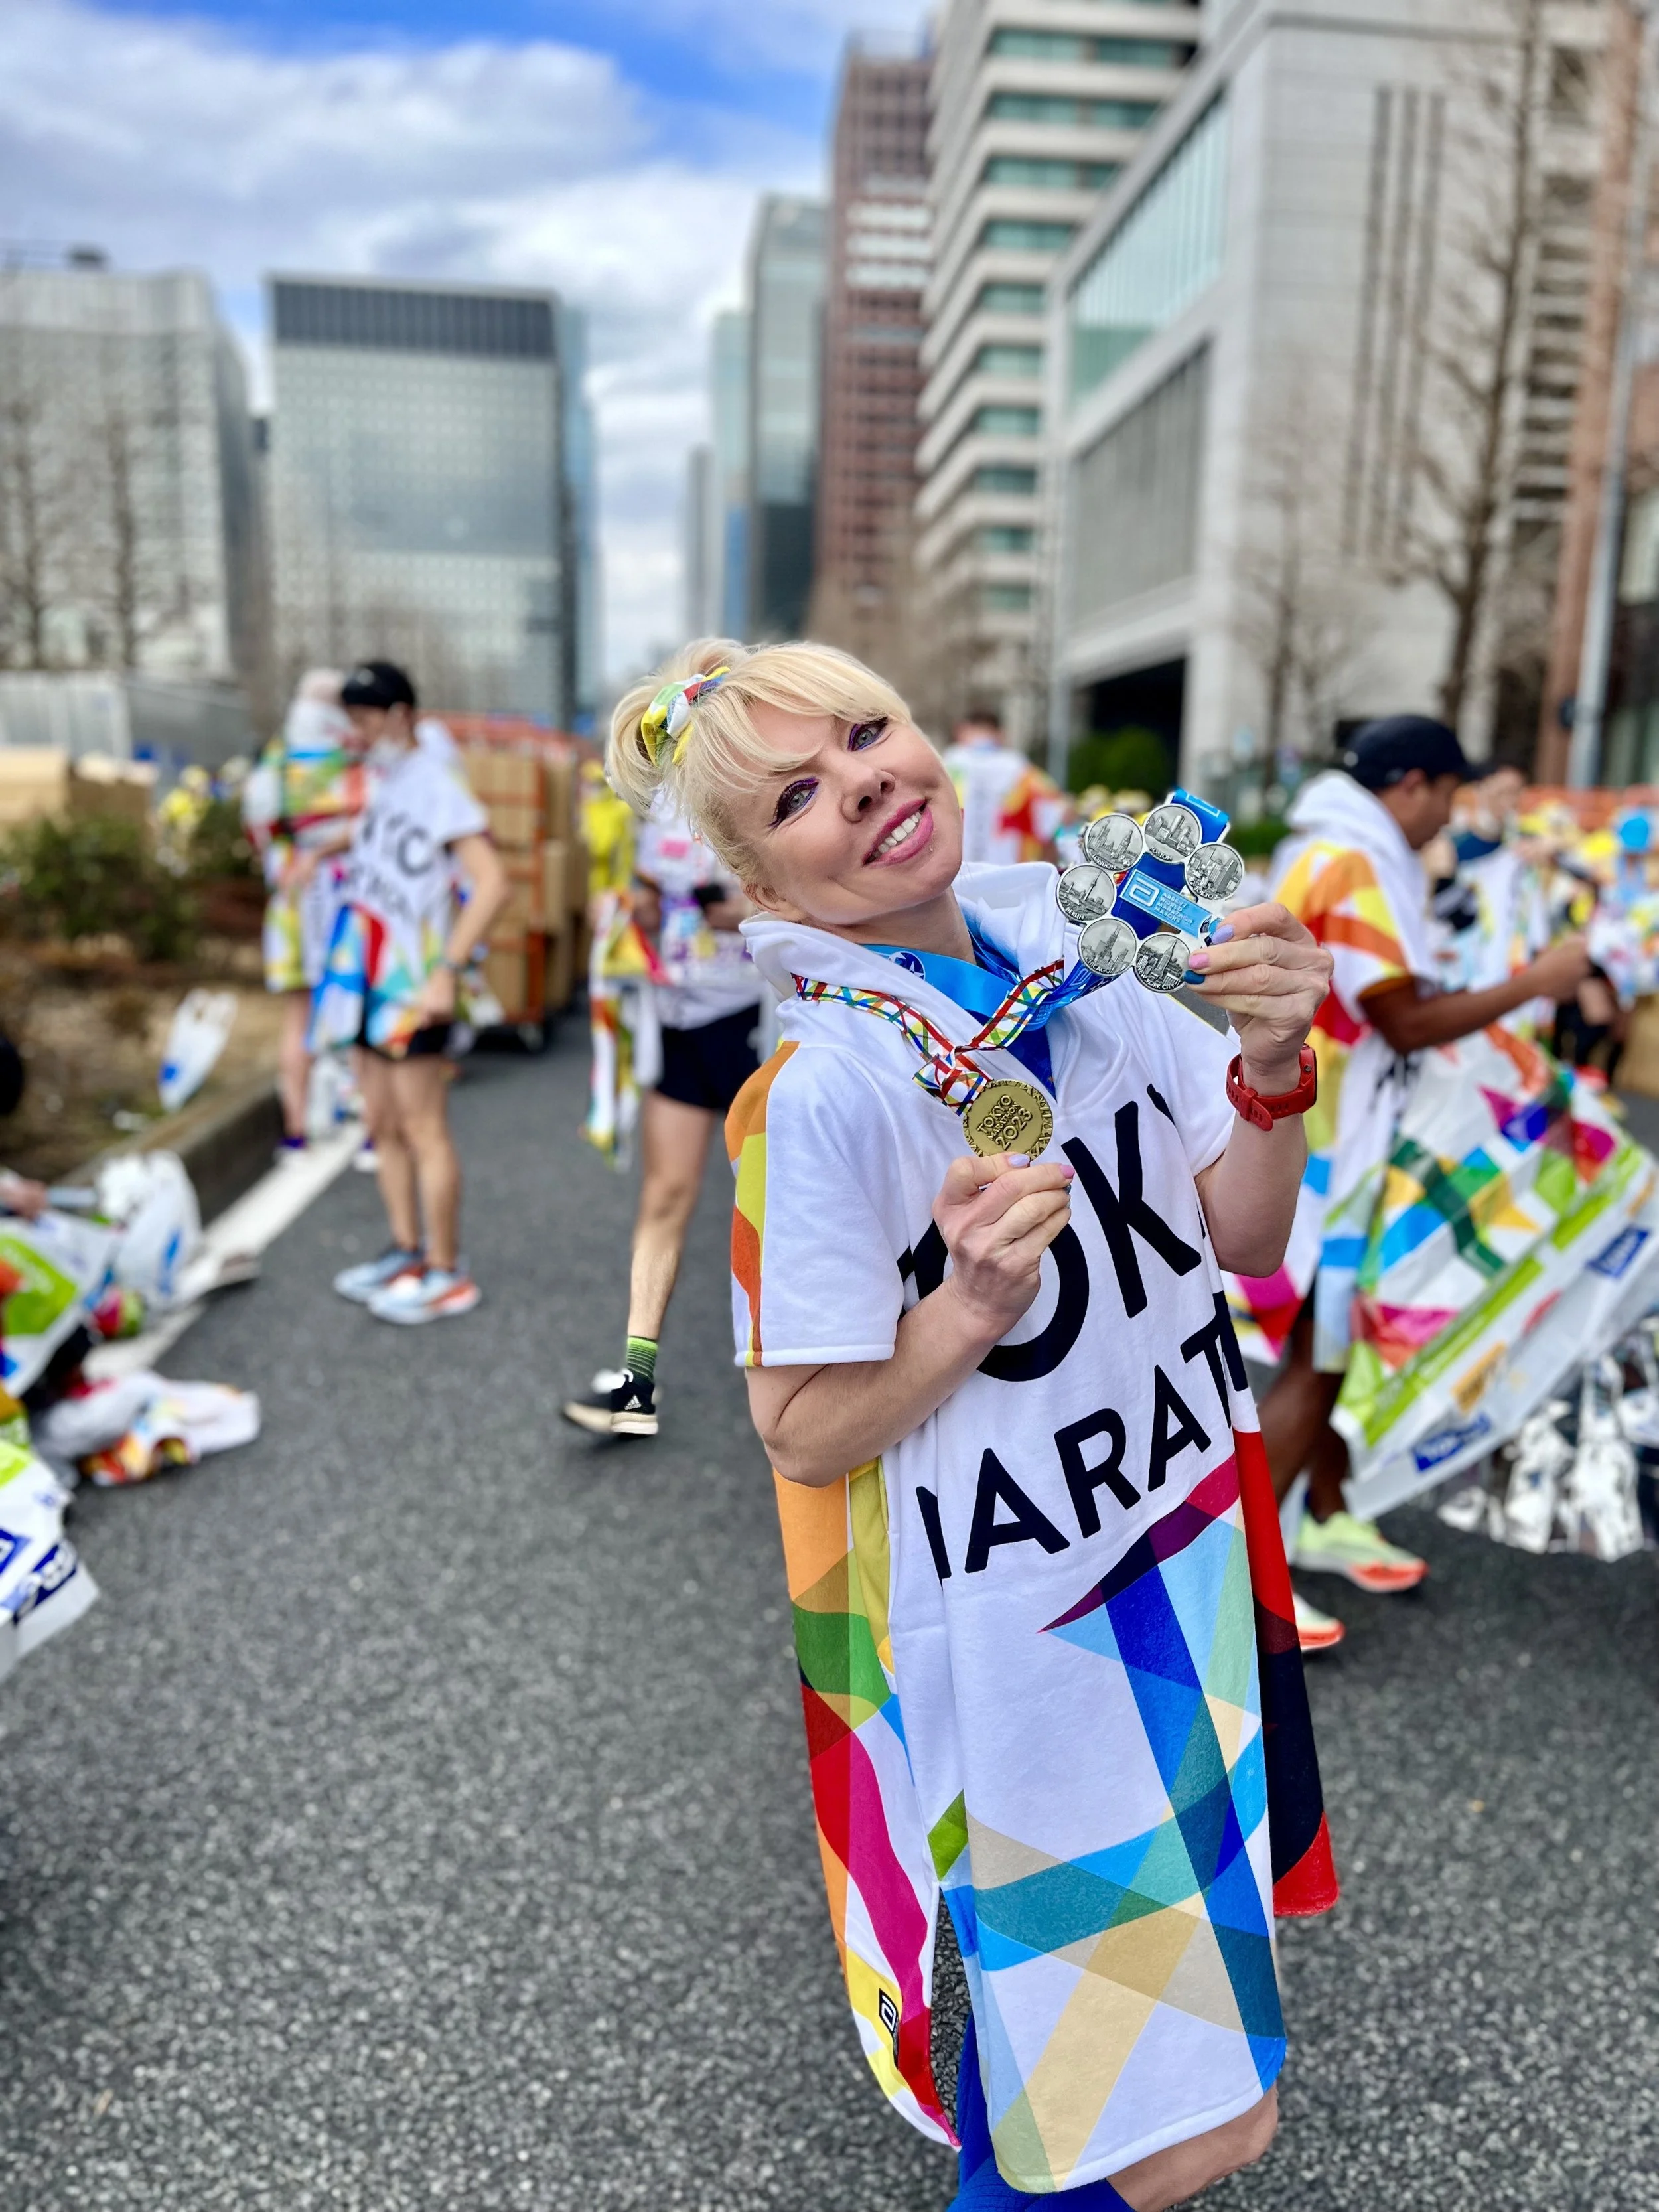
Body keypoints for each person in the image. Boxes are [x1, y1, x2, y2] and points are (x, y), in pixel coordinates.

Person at [609, 640, 1338, 2210]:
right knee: (1175, 2119)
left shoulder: (1094, 959)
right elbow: (802, 1432)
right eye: (799, 792)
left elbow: (1248, 1236)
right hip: (1028, 1634)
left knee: (1133, 2096)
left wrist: (1275, 1063)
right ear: (761, 879)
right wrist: (963, 1314)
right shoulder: (828, 1089)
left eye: (869, 732)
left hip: (1182, 1559)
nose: (864, 777)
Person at [1238, 716, 1591, 1651]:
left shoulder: (1337, 846)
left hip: (1329, 1127)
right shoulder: (1355, 861)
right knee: (1317, 1350)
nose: (1450, 815)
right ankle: (1249, 1577)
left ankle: (1321, 1512)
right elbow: (1402, 1019)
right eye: (1448, 793)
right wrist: (1537, 982)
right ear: (1413, 786)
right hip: (1334, 1139)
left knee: (1336, 1342)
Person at [563, 698, 762, 1438]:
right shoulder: (656, 808)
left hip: (760, 1024)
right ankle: (636, 1381)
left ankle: (817, 1390)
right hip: (676, 1014)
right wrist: (632, 912)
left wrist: (742, 908)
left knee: (779, 1211)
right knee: (665, 1196)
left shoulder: (767, 786)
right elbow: (646, 895)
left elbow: (820, 901)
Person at [311, 660, 508, 1325]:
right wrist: (317, 851)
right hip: (365, 975)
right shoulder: (388, 781)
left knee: (423, 1127)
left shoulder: (435, 784)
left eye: (367, 719)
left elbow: (492, 883)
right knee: (382, 1124)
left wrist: (448, 970)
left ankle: (449, 1270)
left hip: (411, 979)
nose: (358, 732)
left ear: (399, 715)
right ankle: (406, 1250)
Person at [242, 671, 362, 1154]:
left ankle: (296, 1129)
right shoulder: (351, 754)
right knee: (355, 1010)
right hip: (346, 898)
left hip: (290, 902)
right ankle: (372, 1126)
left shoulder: (277, 757)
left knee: (296, 1017)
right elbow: (370, 822)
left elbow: (258, 827)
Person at [941, 709, 1066, 868]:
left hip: (954, 875)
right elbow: (1054, 816)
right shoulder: (1018, 766)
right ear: (1000, 734)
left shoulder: (948, 762)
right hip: (1007, 874)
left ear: (962, 730)